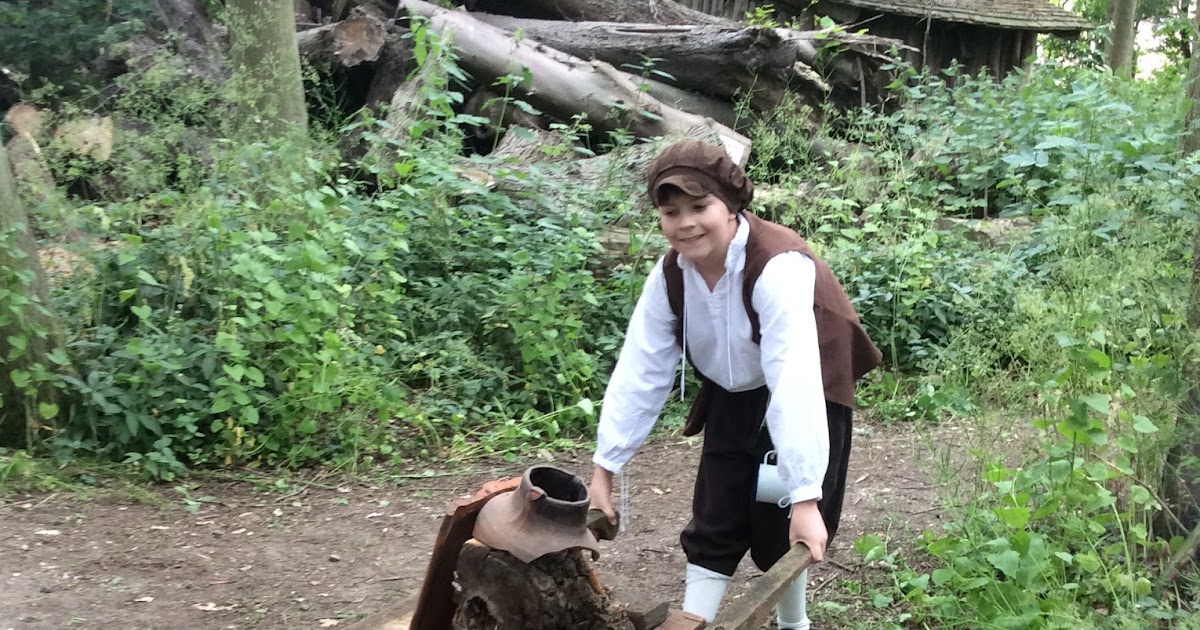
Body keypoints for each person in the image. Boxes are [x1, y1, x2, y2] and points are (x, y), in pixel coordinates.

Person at [588, 139, 882, 628]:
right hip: (732, 389)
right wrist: (605, 468)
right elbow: (641, 368)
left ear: (731, 204)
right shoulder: (670, 275)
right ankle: (693, 623)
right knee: (717, 510)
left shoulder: (778, 266)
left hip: (811, 382)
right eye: (671, 212)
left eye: (699, 206)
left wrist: (806, 497)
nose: (685, 223)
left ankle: (794, 625)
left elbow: (793, 379)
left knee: (781, 519)